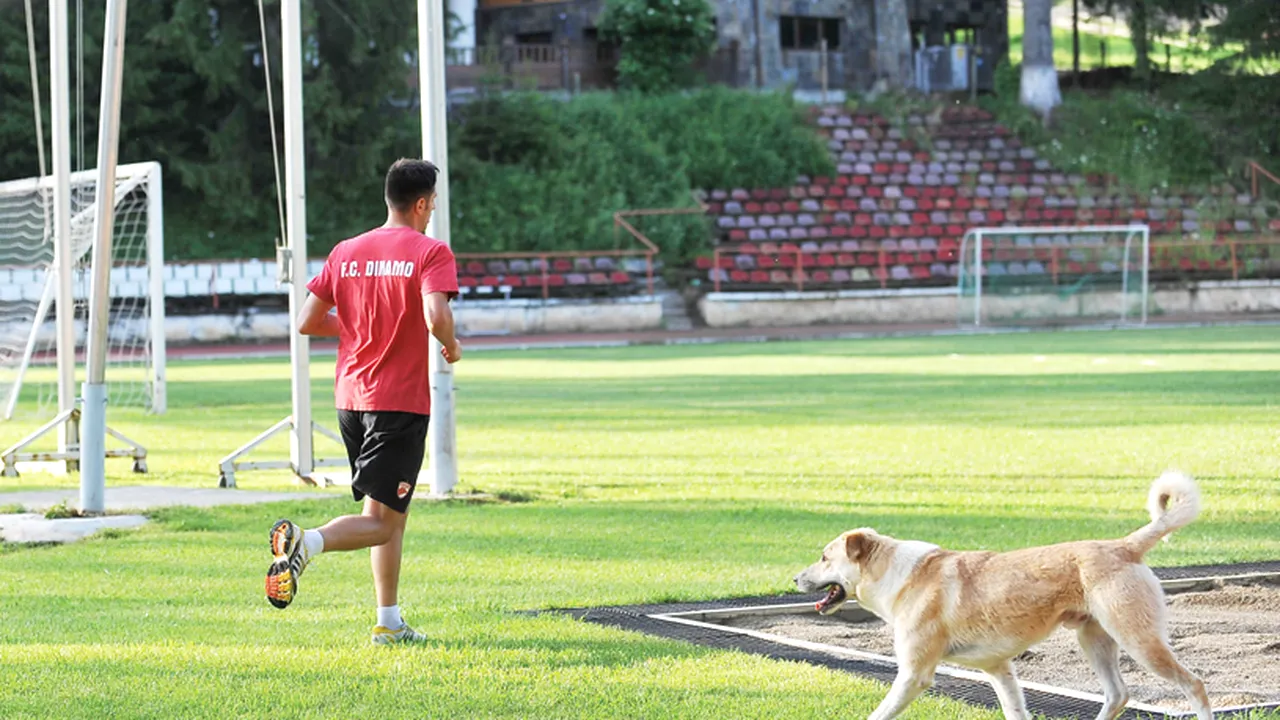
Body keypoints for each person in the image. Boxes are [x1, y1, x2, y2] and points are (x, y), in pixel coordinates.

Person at [264, 158, 462, 645]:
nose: (434, 207)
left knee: (391, 515)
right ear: (421, 203)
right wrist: (451, 345)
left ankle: (389, 622)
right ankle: (306, 544)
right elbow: (436, 316)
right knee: (379, 522)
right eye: (433, 200)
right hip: (398, 402)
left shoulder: (347, 250)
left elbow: (309, 321)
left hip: (351, 399)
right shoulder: (430, 252)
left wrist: (357, 326)